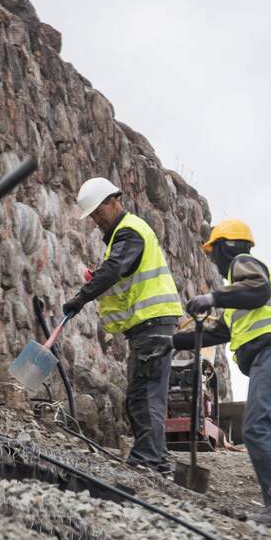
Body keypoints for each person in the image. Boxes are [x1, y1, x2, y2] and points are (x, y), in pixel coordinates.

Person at [176, 218, 271, 533]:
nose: (215, 263)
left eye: (213, 253)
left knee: (256, 428)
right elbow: (218, 332)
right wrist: (172, 341)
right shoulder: (238, 302)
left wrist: (212, 298)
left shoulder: (243, 263)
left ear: (225, 246)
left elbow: (258, 289)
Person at [62, 178, 184, 475]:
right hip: (152, 325)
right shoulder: (128, 234)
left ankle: (146, 461)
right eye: (91, 216)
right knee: (147, 393)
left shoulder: (129, 232)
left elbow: (116, 269)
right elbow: (119, 272)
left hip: (151, 324)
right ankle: (160, 461)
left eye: (96, 212)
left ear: (112, 201)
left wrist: (81, 298)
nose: (95, 220)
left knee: (142, 395)